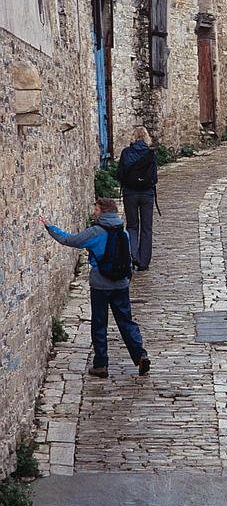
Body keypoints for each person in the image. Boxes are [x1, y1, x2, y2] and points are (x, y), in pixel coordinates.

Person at [40, 198, 150, 379]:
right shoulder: (123, 232)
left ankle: (101, 365)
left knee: (100, 324)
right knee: (126, 321)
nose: (94, 213)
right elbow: (129, 259)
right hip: (121, 284)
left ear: (103, 212)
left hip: (100, 284)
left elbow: (69, 240)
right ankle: (140, 355)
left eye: (96, 209)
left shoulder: (95, 232)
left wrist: (50, 227)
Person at [117, 126, 158, 271]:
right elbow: (154, 177)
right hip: (147, 194)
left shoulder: (126, 153)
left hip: (130, 194)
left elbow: (120, 174)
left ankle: (133, 254)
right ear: (147, 138)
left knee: (132, 226)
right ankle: (144, 262)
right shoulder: (150, 154)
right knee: (147, 228)